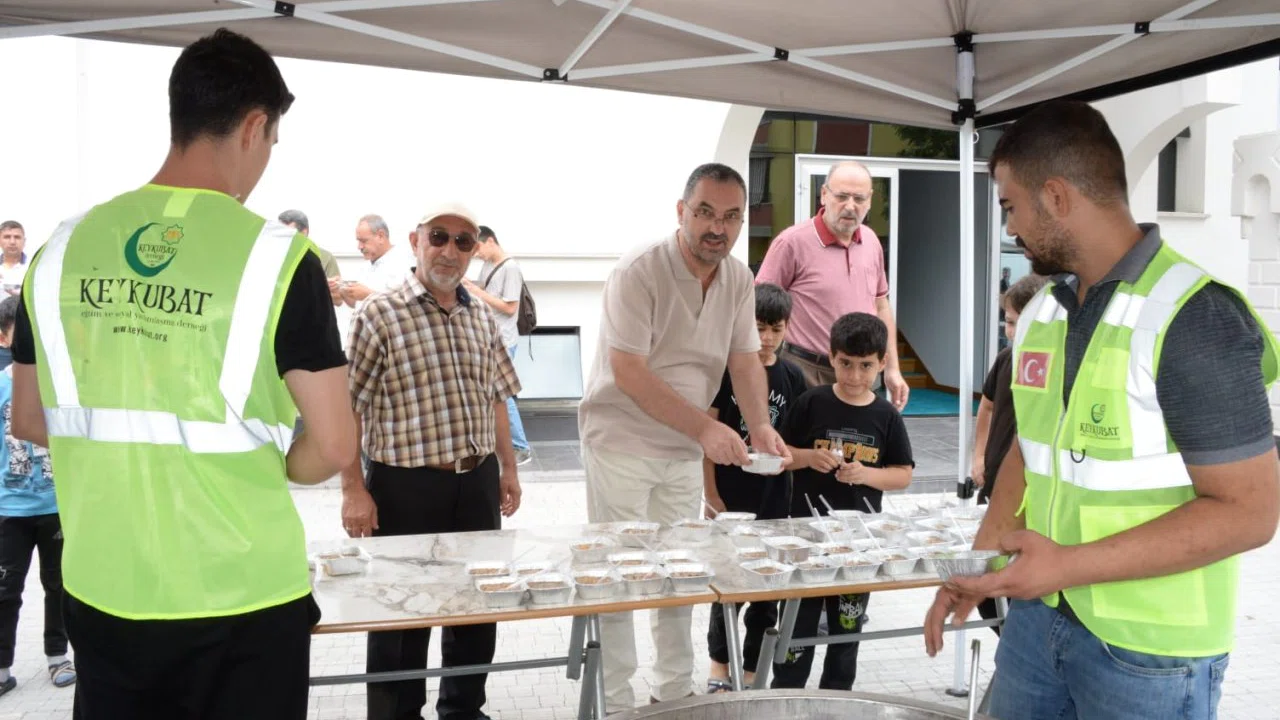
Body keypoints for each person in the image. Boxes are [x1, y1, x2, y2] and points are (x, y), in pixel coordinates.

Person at [9, 28, 357, 719]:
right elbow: (336, 445)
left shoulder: (58, 250)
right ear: (254, 127)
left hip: (104, 590)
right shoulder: (279, 258)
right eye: (272, 141)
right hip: (244, 596)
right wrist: (273, 459)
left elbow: (27, 418)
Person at [923, 100, 1280, 720]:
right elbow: (1030, 456)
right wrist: (978, 566)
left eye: (1011, 206)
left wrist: (1064, 567)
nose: (1011, 228)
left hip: (1150, 653)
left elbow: (1251, 513)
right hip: (1039, 623)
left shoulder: (1194, 316)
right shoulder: (1043, 311)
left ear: (1056, 196)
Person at [578, 162, 791, 712]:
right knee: (620, 575)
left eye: (731, 216)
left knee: (680, 574)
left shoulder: (739, 278)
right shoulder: (640, 270)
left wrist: (760, 426)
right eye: (705, 212)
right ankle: (617, 702)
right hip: (621, 444)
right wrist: (704, 428)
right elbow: (628, 371)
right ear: (681, 211)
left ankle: (673, 694)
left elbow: (745, 361)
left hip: (680, 451)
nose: (717, 227)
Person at [341, 203, 523, 720]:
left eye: (464, 241)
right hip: (404, 487)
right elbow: (348, 408)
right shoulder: (378, 314)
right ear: (415, 241)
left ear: (474, 251)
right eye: (439, 236)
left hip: (477, 481)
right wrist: (352, 489)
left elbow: (496, 397)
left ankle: (463, 710)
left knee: (477, 606)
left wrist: (508, 468)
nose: (450, 250)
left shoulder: (481, 315)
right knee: (401, 613)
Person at [772, 312, 913, 691]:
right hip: (805, 539)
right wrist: (807, 457)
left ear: (882, 364)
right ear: (831, 357)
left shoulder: (886, 415)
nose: (854, 376)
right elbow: (780, 454)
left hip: (859, 543)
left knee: (846, 630)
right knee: (796, 629)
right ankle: (786, 696)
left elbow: (903, 474)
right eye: (845, 364)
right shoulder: (810, 402)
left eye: (865, 366)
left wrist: (866, 475)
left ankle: (837, 697)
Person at [703, 282, 808, 692]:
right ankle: (718, 668)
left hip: (775, 501)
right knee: (727, 587)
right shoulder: (727, 371)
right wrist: (711, 495)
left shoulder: (792, 376)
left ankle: (751, 672)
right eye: (758, 328)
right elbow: (707, 438)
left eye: (775, 329)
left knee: (767, 591)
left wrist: (792, 458)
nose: (766, 338)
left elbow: (796, 440)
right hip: (730, 498)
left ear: (787, 328)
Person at [755, 162, 909, 409]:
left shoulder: (871, 242)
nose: (850, 206)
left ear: (870, 200)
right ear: (824, 194)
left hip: (862, 372)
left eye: (859, 198)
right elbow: (760, 307)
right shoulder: (791, 243)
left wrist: (892, 368)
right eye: (842, 196)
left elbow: (881, 305)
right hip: (807, 372)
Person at [0, 295, 75, 697]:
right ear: (5, 338)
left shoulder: (62, 385)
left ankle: (57, 657)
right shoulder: (1, 385)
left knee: (58, 584)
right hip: (9, 507)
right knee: (5, 588)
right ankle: (2, 666)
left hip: (55, 504)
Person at [967, 273, 1045, 636]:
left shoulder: (1054, 362)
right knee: (987, 587)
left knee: (1012, 591)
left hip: (1029, 500)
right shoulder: (1006, 358)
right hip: (995, 488)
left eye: (1017, 322)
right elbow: (986, 406)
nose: (1011, 332)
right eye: (1008, 323)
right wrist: (979, 456)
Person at [462, 225, 532, 466]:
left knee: (503, 394)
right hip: (489, 337)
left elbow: (510, 308)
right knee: (496, 393)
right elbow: (483, 291)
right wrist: (469, 286)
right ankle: (502, 442)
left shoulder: (510, 268)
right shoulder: (488, 265)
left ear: (490, 241)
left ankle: (521, 447)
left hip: (504, 340)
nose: (476, 254)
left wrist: (476, 292)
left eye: (478, 248)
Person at [333, 214, 414, 307]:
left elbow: (407, 306)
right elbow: (356, 304)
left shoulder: (404, 264)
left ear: (381, 236)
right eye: (358, 241)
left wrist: (369, 295)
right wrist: (341, 288)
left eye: (364, 241)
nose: (359, 247)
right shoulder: (366, 266)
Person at [279, 209, 343, 305]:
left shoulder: (325, 257)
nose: (284, 239)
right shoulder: (273, 257)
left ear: (304, 232)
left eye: (289, 234)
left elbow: (338, 300)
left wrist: (322, 287)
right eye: (280, 234)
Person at [0, 222, 27, 297]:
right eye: (7, 237)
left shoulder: (33, 267)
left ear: (24, 241)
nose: (12, 242)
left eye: (17, 237)